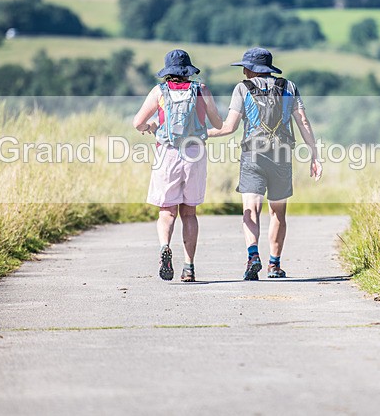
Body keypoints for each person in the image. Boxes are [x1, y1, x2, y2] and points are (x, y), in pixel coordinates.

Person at [208, 47, 321, 280]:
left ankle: (252, 256)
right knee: (278, 212)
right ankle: (274, 265)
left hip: (253, 156)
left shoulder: (242, 88)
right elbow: (303, 122)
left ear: (250, 69)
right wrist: (314, 155)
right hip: (281, 157)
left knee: (251, 208)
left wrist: (201, 134)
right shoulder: (290, 87)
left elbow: (229, 127)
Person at [132, 49, 223, 283]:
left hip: (167, 154)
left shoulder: (159, 92)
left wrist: (151, 127)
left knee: (167, 211)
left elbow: (137, 123)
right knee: (189, 212)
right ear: (188, 70)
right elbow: (218, 123)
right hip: (194, 154)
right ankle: (189, 267)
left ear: (168, 72)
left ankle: (165, 246)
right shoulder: (201, 90)